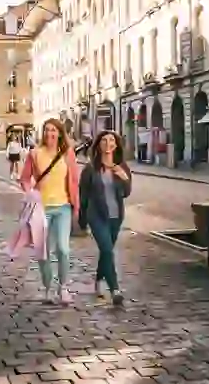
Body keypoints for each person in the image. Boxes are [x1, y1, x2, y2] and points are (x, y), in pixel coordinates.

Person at [18, 119, 80, 304]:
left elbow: (74, 181)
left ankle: (63, 288)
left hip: (63, 207)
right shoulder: (35, 154)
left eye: (53, 130)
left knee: (63, 249)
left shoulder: (68, 153)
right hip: (41, 209)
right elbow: (25, 178)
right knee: (43, 252)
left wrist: (76, 206)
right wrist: (29, 192)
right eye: (46, 130)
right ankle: (47, 288)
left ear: (60, 133)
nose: (50, 134)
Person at [79, 130, 132, 305]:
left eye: (111, 141)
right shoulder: (90, 169)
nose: (108, 144)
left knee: (106, 251)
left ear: (116, 145)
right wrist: (82, 220)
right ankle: (115, 289)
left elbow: (126, 193)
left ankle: (99, 279)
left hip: (116, 216)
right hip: (96, 216)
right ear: (98, 145)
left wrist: (124, 178)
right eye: (104, 141)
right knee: (108, 250)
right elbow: (83, 196)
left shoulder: (122, 166)